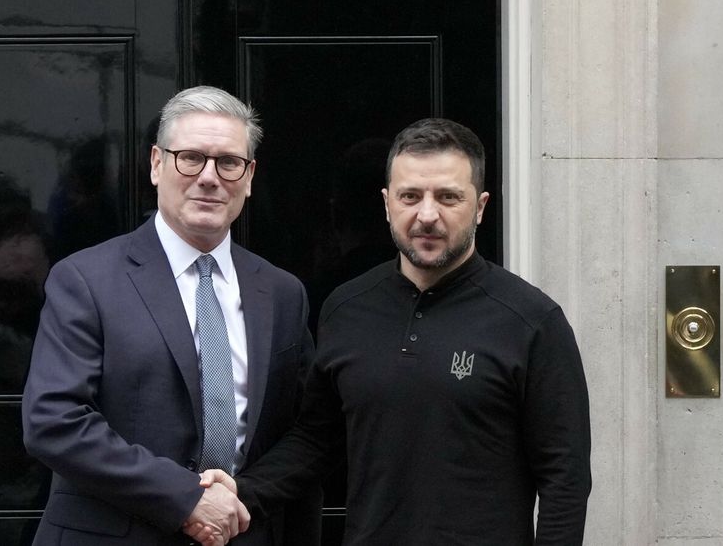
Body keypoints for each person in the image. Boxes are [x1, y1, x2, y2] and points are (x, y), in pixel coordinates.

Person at [201, 118, 592, 545]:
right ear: (387, 204)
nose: (427, 215)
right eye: (410, 196)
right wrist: (242, 491)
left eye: (448, 197)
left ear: (480, 207)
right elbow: (317, 440)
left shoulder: (532, 322)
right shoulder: (346, 309)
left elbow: (565, 477)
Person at [22, 86, 320, 545]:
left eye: (228, 162)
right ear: (157, 164)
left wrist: (241, 497)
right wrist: (186, 499)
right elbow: (54, 421)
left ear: (249, 176)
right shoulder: (86, 280)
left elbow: (304, 431)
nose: (209, 177)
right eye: (191, 158)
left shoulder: (282, 293)